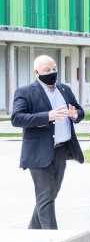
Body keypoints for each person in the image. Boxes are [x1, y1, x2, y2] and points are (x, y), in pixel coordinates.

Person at [11, 55, 84, 230]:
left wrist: (75, 114)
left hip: (61, 150)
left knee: (50, 195)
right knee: (46, 196)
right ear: (36, 72)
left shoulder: (64, 89)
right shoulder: (25, 92)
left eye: (54, 68)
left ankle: (33, 232)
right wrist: (47, 116)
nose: (52, 72)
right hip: (39, 152)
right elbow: (17, 118)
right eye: (47, 70)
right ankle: (52, 238)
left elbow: (79, 111)